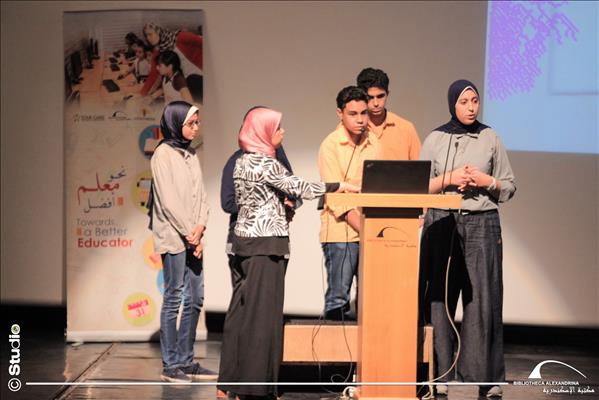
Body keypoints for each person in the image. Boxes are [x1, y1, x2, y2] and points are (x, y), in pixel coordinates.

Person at [217, 107, 359, 399]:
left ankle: (234, 381)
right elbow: (298, 187)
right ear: (263, 132)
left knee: (243, 314)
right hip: (265, 246)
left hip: (245, 244)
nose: (282, 132)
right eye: (277, 128)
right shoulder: (266, 163)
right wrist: (339, 185)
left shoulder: (242, 161)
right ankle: (255, 388)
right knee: (262, 317)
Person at [419, 79, 516, 398]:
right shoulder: (436, 138)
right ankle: (440, 373)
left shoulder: (490, 137)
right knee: (439, 299)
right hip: (442, 221)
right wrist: (450, 178)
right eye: (464, 102)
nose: (471, 107)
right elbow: (419, 186)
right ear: (452, 104)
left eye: (475, 101)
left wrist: (486, 181)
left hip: (482, 223)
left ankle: (487, 378)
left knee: (483, 301)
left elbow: (509, 186)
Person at [149, 101, 217, 383]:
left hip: (193, 236)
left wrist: (200, 227)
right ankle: (170, 365)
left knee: (196, 298)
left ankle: (186, 361)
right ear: (176, 123)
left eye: (197, 123)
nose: (196, 128)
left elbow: (201, 196)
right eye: (190, 123)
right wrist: (191, 234)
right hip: (174, 236)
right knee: (174, 296)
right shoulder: (162, 155)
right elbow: (169, 201)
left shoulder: (191, 154)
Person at [220, 106, 301, 289]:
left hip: (275, 241)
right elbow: (228, 203)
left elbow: (293, 190)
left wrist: (289, 204)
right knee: (247, 298)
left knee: (271, 296)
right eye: (277, 128)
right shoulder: (238, 161)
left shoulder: (276, 158)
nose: (282, 131)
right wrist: (268, 204)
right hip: (246, 243)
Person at [318, 86, 381, 320]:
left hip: (370, 228)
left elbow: (378, 186)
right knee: (338, 299)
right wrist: (365, 229)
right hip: (340, 232)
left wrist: (372, 230)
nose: (360, 119)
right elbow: (336, 196)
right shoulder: (330, 145)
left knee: (370, 298)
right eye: (353, 114)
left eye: (364, 113)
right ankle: (334, 344)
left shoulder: (374, 142)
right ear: (340, 113)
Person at [356, 67, 421, 160]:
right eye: (370, 97)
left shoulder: (406, 129)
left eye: (380, 96)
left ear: (387, 94)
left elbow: (419, 167)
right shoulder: (349, 129)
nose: (376, 103)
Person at [141, 23, 203, 103]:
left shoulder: (180, 37)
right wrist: (143, 94)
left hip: (200, 73)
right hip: (184, 81)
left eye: (150, 34)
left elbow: (202, 42)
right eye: (146, 36)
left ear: (158, 32)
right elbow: (153, 75)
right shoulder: (157, 51)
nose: (148, 38)